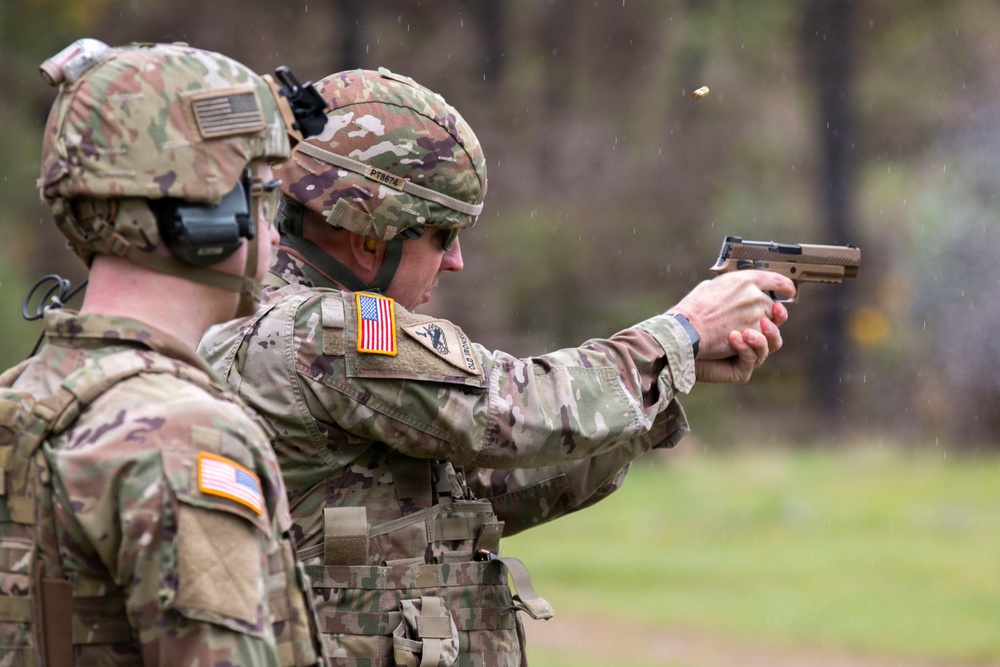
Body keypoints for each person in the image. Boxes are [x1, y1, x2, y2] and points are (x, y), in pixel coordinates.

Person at [199, 67, 794, 666]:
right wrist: (680, 333)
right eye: (444, 234)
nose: (456, 260)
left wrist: (664, 381)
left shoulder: (274, 319)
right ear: (371, 238)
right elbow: (516, 412)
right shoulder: (324, 331)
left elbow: (478, 495)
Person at [0, 40, 323, 665]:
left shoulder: (21, 397)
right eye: (263, 194)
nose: (274, 229)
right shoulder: (185, 435)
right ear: (210, 215)